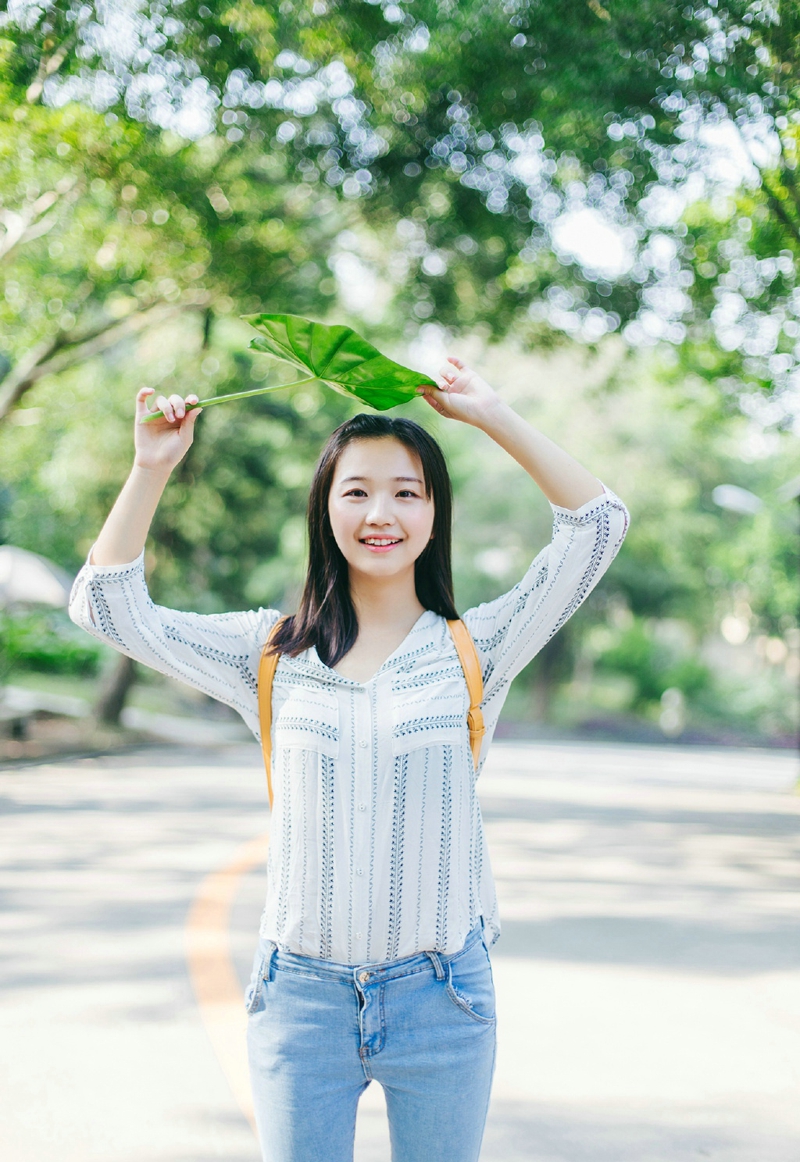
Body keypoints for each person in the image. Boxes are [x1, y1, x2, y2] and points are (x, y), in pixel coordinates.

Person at [69, 356, 629, 1162]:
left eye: (408, 491)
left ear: (436, 514)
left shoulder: (480, 646)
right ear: (324, 508)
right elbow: (104, 605)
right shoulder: (267, 651)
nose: (381, 512)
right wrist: (151, 467)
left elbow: (600, 524)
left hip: (443, 1000)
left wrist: (492, 415)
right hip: (301, 1003)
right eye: (357, 490)